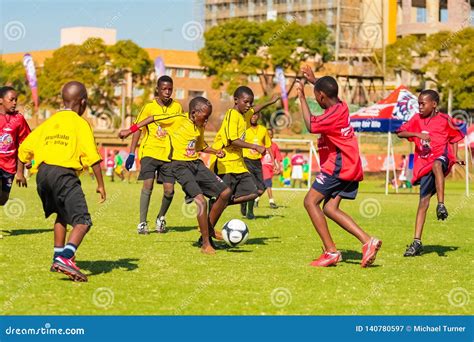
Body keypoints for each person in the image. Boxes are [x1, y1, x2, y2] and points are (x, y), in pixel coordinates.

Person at [18, 81, 106, 282]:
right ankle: (66, 258)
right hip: (64, 175)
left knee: (62, 215)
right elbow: (93, 156)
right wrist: (101, 184)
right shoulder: (81, 123)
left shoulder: (48, 123)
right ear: (82, 102)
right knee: (83, 220)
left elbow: (24, 149)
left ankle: (56, 256)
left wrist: (19, 173)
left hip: (43, 175)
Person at [120, 97, 231, 254]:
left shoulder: (199, 126)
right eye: (205, 117)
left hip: (196, 164)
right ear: (194, 113)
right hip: (179, 166)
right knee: (200, 201)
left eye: (208, 117)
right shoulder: (177, 119)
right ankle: (206, 244)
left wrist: (215, 151)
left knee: (225, 192)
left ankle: (209, 229)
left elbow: (199, 146)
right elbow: (152, 118)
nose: (206, 121)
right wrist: (129, 131)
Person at [296, 65, 382, 267]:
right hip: (351, 165)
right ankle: (368, 241)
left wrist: (301, 97)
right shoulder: (341, 106)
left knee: (310, 202)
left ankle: (331, 252)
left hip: (338, 167)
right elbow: (326, 95)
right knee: (331, 208)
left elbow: (311, 125)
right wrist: (314, 81)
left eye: (316, 96)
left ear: (322, 96)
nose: (316, 99)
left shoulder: (331, 116)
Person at [397, 89, 464, 257]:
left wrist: (455, 157)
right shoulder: (416, 119)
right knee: (423, 203)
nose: (419, 107)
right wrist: (416, 134)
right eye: (418, 103)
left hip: (441, 159)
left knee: (436, 164)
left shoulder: (444, 120)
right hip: (423, 165)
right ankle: (417, 242)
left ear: (434, 104)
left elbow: (455, 137)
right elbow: (400, 132)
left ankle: (441, 204)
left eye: (423, 103)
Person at [125, 76, 183, 234]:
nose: (167, 92)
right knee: (148, 185)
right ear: (157, 89)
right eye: (164, 89)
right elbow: (137, 128)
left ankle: (161, 218)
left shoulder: (177, 107)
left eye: (170, 89)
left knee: (170, 190)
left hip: (169, 154)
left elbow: (180, 129)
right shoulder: (149, 107)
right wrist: (131, 153)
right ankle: (142, 223)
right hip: (149, 151)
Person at [209, 86, 276, 217]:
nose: (248, 105)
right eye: (245, 102)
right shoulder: (231, 115)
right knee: (224, 194)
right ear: (235, 100)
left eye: (250, 102)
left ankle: (221, 203)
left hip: (238, 163)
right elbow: (232, 140)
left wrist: (270, 102)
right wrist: (255, 147)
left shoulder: (244, 114)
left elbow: (254, 109)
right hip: (225, 161)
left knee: (253, 192)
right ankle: (207, 231)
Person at [241, 110, 275, 219]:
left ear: (259, 116)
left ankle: (244, 200)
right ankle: (250, 212)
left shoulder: (263, 130)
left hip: (257, 162)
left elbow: (268, 145)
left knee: (262, 187)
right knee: (253, 187)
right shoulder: (244, 128)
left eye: (256, 114)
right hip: (246, 160)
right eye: (252, 114)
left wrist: (273, 161)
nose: (254, 116)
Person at [0, 86, 30, 206]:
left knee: (3, 199)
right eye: (11, 99)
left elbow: (24, 144)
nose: (15, 103)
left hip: (10, 166)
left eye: (16, 100)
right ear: (1, 100)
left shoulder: (19, 119)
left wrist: (20, 171)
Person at [256, 128, 281, 209]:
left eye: (271, 134)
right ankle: (271, 202)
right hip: (263, 167)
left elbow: (278, 158)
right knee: (268, 183)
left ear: (272, 135)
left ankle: (255, 199)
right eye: (268, 134)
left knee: (263, 187)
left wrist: (278, 167)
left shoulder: (275, 146)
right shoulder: (261, 145)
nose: (269, 135)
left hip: (271, 168)